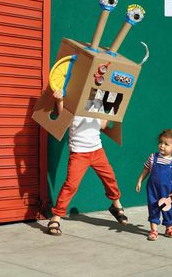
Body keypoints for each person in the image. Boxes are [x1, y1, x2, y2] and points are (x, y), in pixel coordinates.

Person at [47, 89, 128, 236]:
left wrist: (110, 109)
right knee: (71, 184)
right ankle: (56, 217)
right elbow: (64, 121)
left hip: (97, 150)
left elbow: (103, 125)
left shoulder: (98, 99)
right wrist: (59, 100)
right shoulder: (73, 99)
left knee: (109, 178)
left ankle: (116, 205)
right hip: (79, 152)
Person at [136, 129, 172, 240]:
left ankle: (169, 229)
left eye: (166, 144)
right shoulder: (153, 157)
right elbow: (146, 170)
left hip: (167, 191)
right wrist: (139, 181)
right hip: (153, 190)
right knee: (153, 208)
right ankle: (154, 231)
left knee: (168, 209)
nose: (162, 146)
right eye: (161, 142)